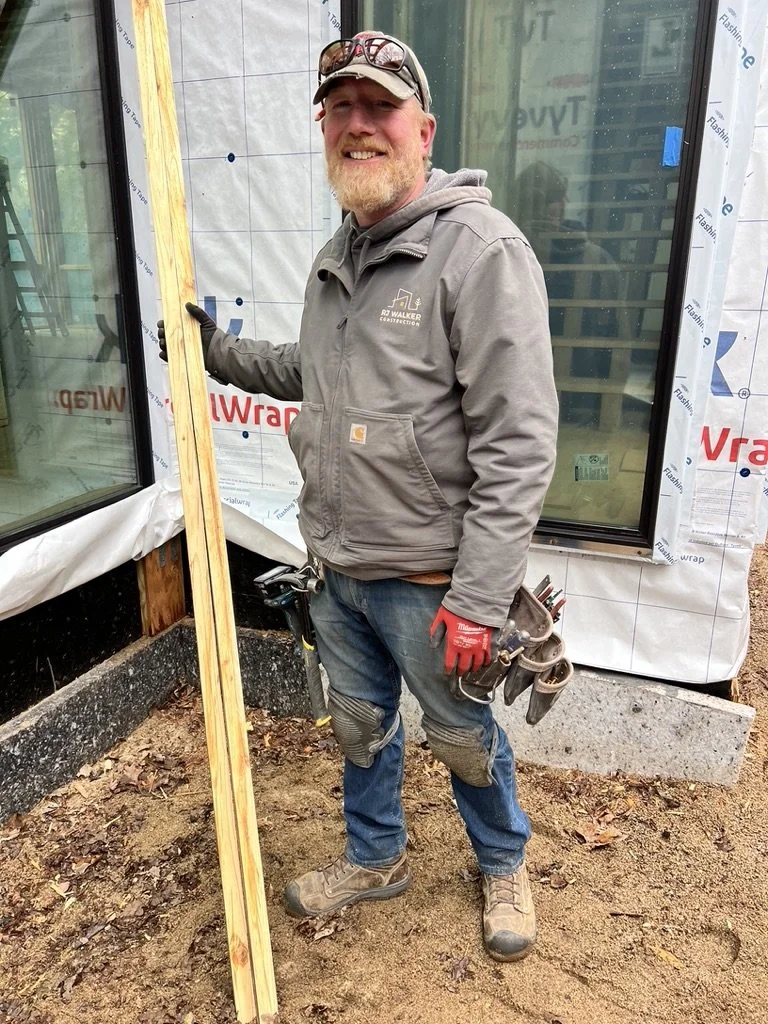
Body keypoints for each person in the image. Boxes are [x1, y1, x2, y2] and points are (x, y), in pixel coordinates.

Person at [159, 32, 558, 962]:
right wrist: (217, 353)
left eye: (379, 109)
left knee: (460, 734)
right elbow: (319, 371)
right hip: (337, 564)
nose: (358, 126)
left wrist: (479, 595)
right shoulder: (341, 253)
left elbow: (520, 441)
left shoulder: (479, 253)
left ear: (423, 129)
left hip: (432, 582)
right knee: (359, 725)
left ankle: (503, 862)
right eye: (340, 109)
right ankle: (376, 857)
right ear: (325, 130)